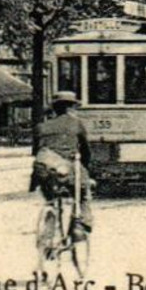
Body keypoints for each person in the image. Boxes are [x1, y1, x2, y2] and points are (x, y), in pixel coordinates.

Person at [33, 91, 93, 236]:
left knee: (51, 197)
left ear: (54, 108)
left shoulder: (42, 126)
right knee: (83, 192)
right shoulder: (77, 124)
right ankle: (80, 225)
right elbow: (85, 151)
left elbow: (36, 151)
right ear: (71, 107)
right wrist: (85, 168)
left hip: (43, 169)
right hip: (65, 169)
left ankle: (49, 227)